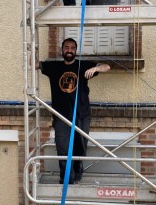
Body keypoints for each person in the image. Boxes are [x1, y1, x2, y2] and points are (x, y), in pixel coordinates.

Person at [38, 37, 110, 183]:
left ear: (76, 50)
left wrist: (96, 68)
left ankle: (77, 171)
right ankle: (67, 179)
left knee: (80, 148)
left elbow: (107, 66)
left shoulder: (83, 66)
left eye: (72, 48)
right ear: (62, 50)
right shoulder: (54, 67)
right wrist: (31, 48)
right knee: (63, 149)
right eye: (66, 47)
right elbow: (34, 64)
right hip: (61, 116)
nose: (69, 50)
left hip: (82, 115)